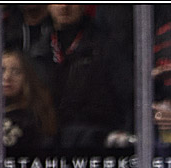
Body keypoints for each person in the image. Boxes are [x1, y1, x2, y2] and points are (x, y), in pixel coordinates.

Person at [28, 4, 130, 147]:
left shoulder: (107, 48)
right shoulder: (37, 52)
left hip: (97, 143)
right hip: (50, 146)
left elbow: (127, 99)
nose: (64, 6)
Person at [0, 48, 58, 149]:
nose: (7, 77)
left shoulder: (33, 117)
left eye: (16, 71)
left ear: (27, 77)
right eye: (2, 70)